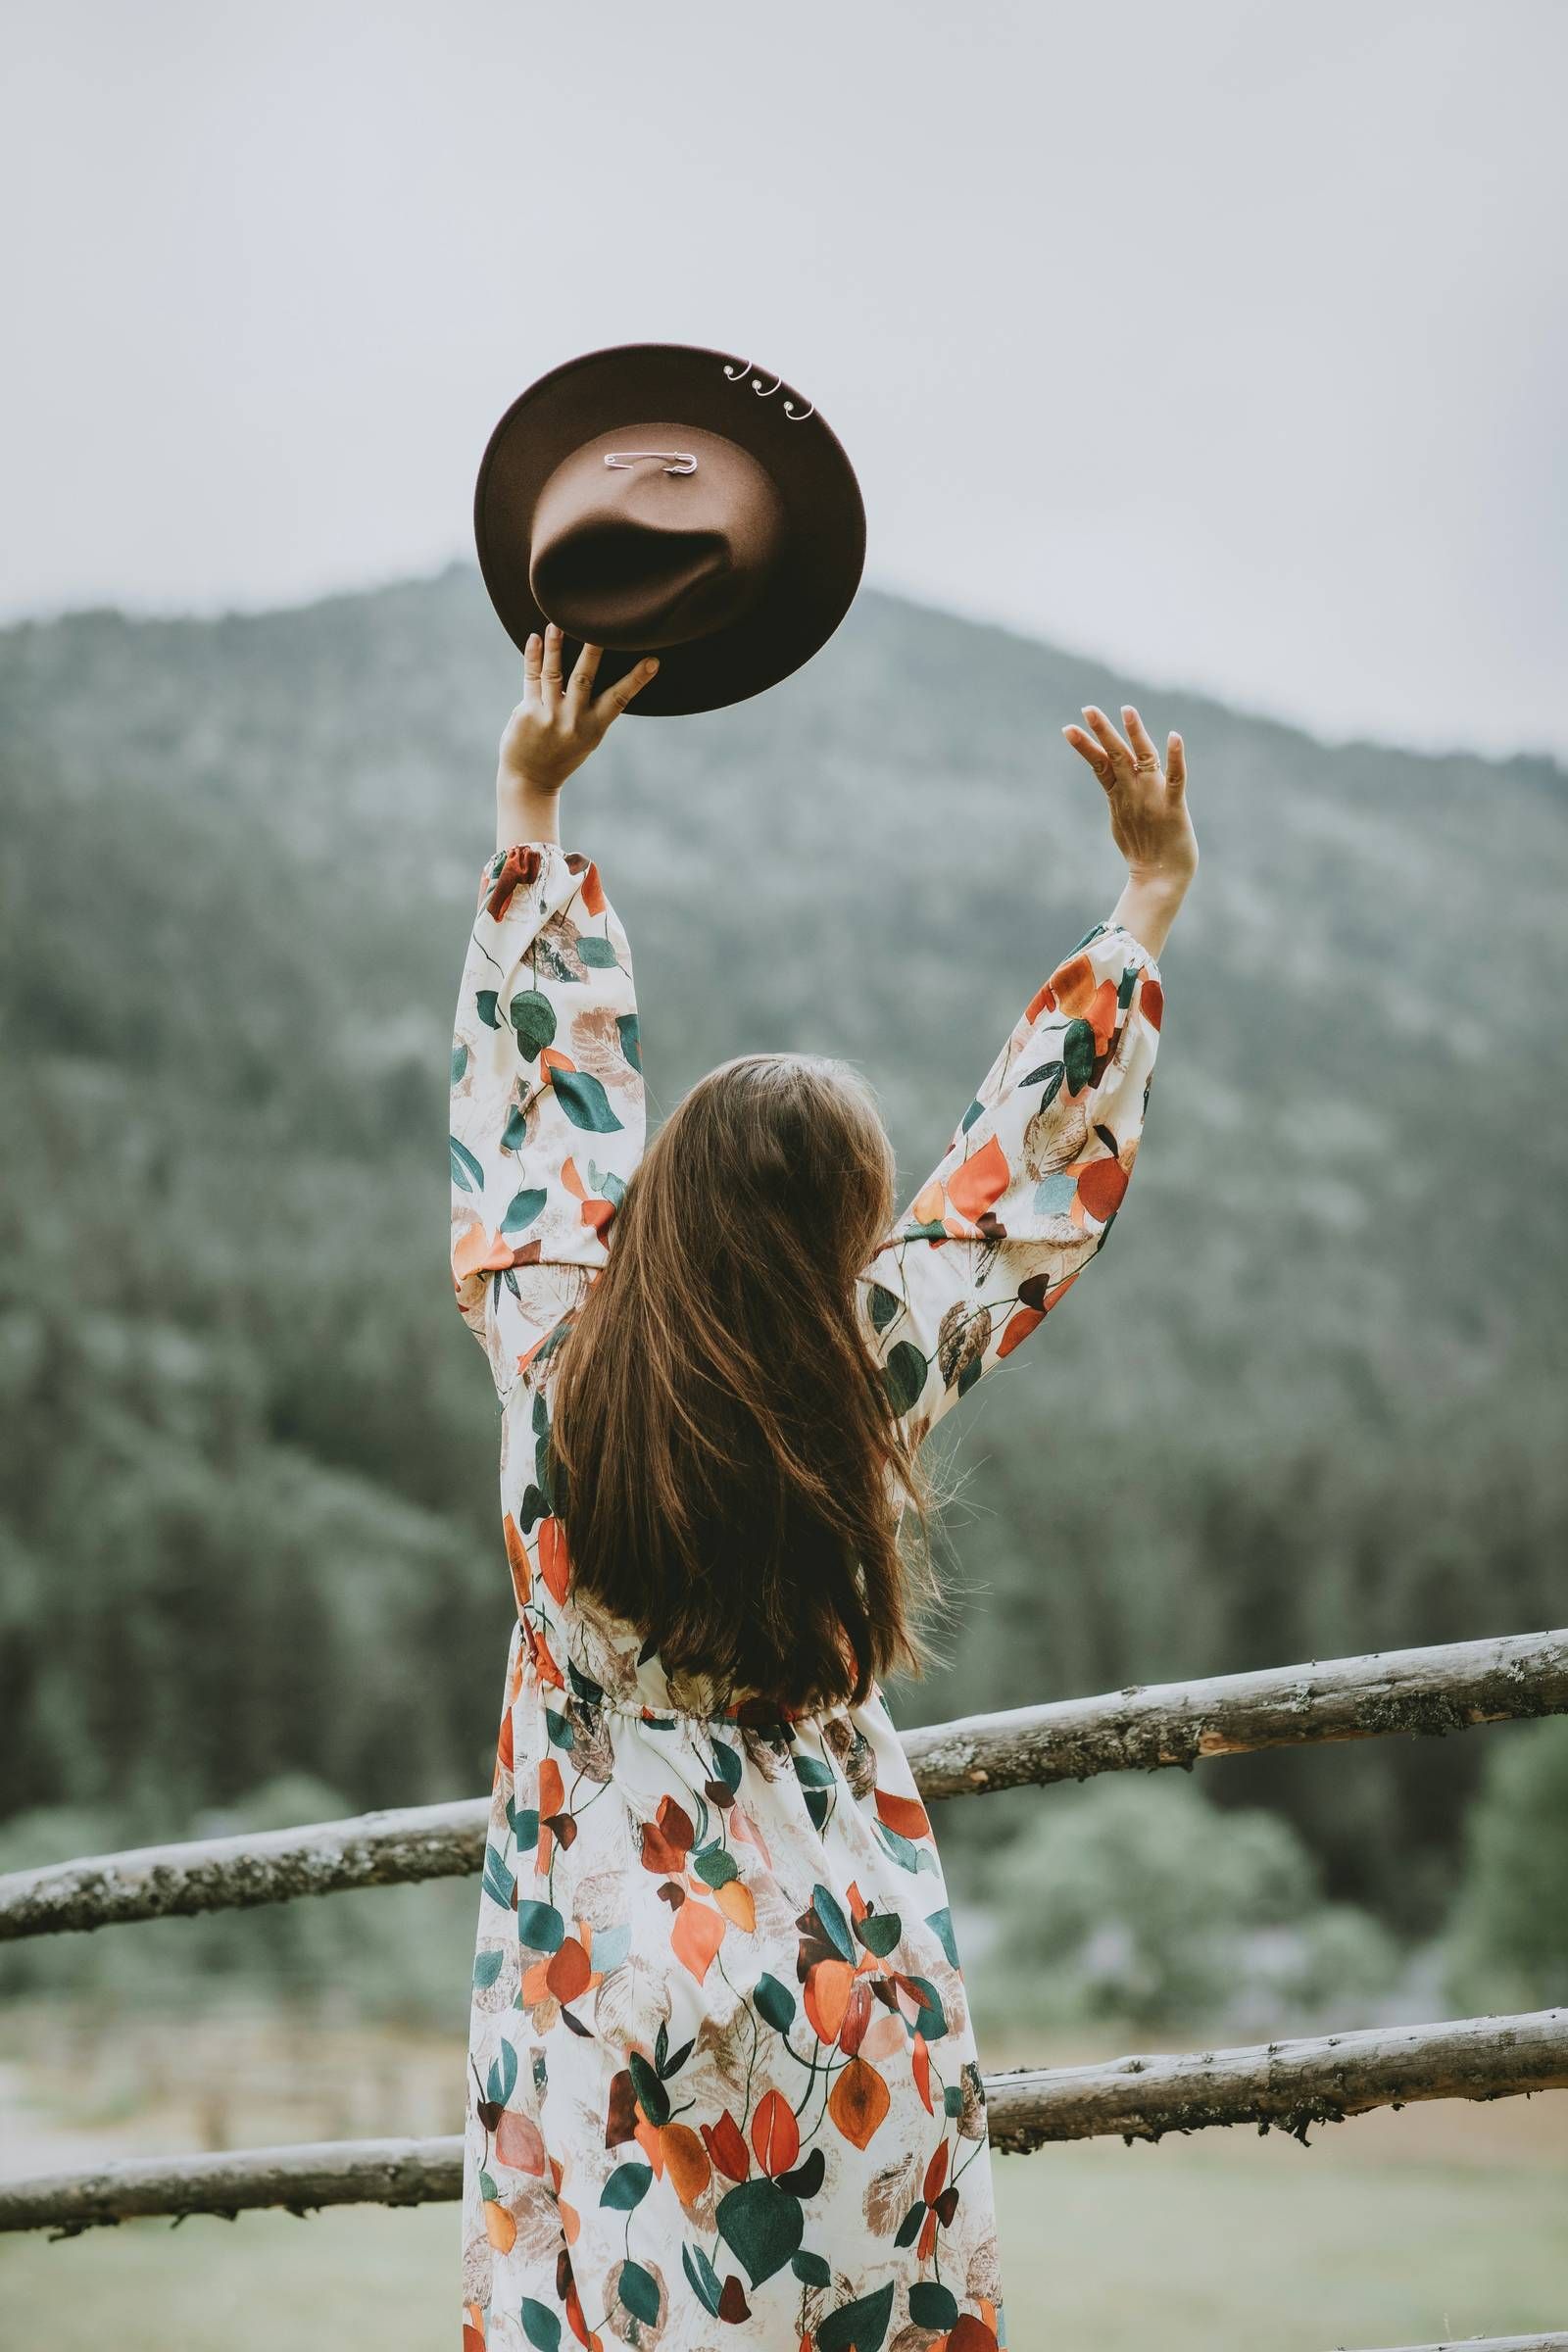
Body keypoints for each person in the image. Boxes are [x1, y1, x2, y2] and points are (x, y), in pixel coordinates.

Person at [450, 620, 1197, 2352]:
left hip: (608, 1963)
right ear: (847, 1241)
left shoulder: (560, 1363)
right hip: (851, 1979)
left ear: (660, 1213)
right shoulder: (868, 1373)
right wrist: (1143, 898)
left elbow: (541, 1102)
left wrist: (532, 798)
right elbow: (1020, 1173)